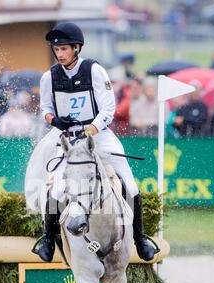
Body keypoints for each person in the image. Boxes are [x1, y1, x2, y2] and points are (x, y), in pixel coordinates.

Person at [25, 22, 158, 263]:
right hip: (67, 137)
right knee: (54, 189)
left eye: (64, 49)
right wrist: (55, 120)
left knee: (130, 183)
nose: (59, 53)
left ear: (76, 48)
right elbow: (45, 108)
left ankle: (140, 239)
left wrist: (90, 130)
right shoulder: (49, 77)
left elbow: (109, 108)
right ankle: (47, 238)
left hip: (99, 134)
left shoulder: (94, 70)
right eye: (56, 50)